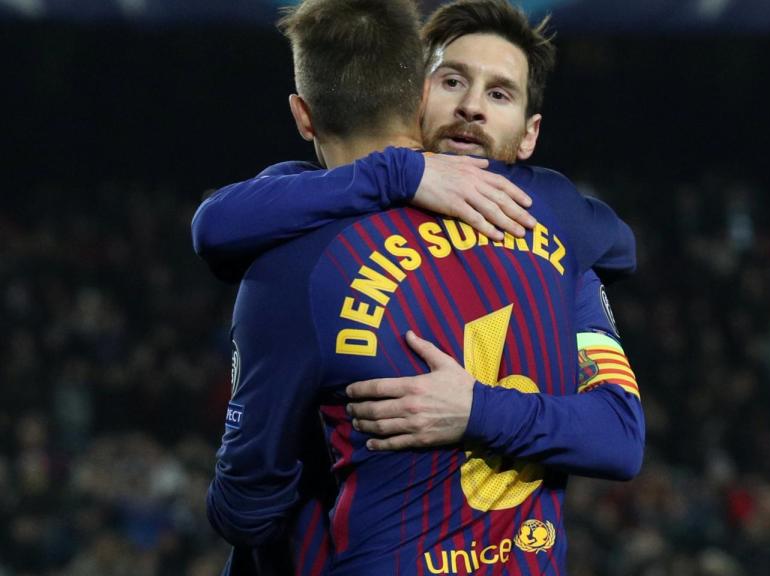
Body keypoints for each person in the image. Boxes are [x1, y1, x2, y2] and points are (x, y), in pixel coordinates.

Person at [202, 0, 644, 574]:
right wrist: (399, 173)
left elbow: (620, 436)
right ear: (414, 97)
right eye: (453, 80)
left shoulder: (552, 224)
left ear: (530, 135)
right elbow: (216, 223)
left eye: (500, 94)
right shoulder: (303, 222)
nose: (471, 108)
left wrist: (474, 409)